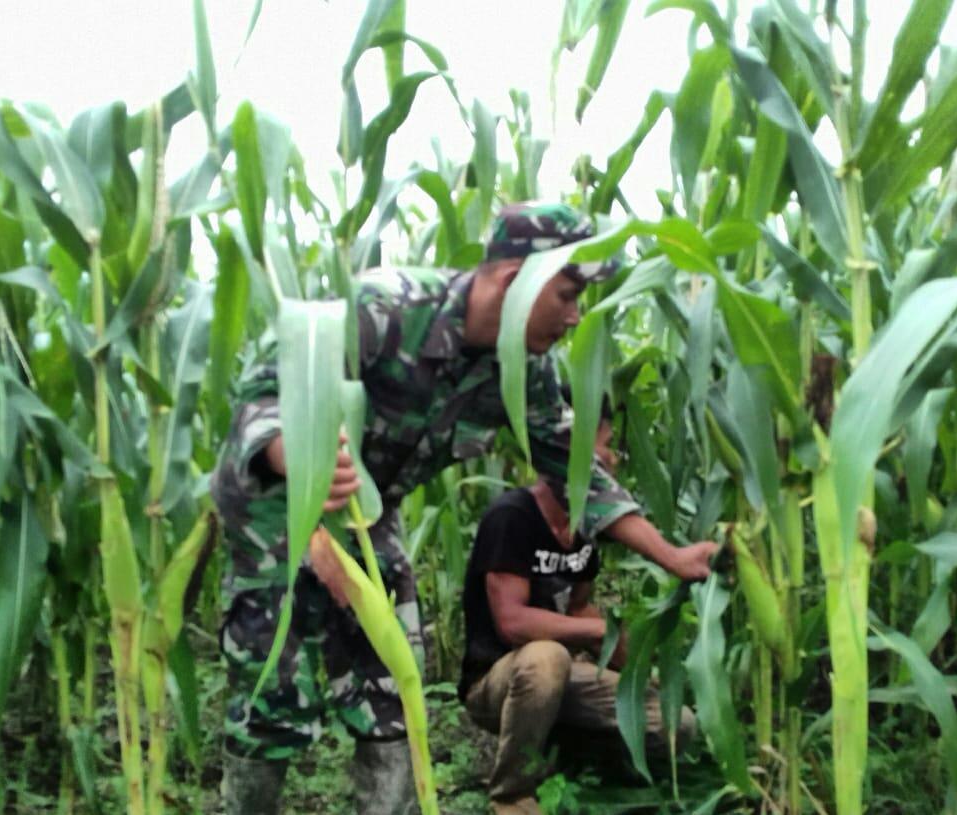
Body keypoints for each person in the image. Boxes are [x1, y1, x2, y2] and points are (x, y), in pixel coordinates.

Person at [211, 202, 717, 815]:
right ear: (513, 280)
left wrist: (672, 557)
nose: (574, 316)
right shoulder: (384, 308)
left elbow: (575, 467)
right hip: (278, 513)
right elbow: (264, 391)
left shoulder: (524, 369)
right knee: (273, 697)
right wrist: (300, 458)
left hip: (371, 516)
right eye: (565, 294)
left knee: (397, 685)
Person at [460, 401, 709, 815]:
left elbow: (579, 607)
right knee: (546, 658)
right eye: (606, 446)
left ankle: (569, 762)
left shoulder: (586, 529)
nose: (612, 460)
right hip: (496, 680)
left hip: (558, 679)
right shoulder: (511, 518)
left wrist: (633, 671)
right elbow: (512, 622)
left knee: (673, 725)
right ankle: (511, 796)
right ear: (570, 454)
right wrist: (596, 634)